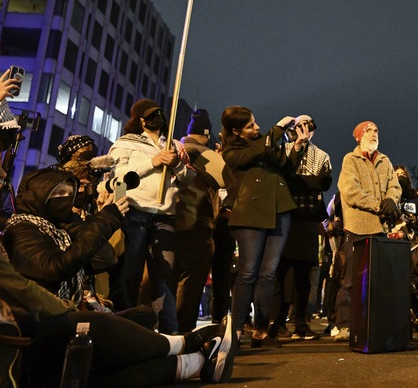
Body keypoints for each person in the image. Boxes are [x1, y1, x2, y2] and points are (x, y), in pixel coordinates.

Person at [0, 126, 236, 388]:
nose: (1, 172)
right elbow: (31, 285)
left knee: (107, 359)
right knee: (89, 327)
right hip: (10, 341)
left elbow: (104, 258)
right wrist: (104, 221)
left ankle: (199, 362)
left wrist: (84, 222)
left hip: (12, 339)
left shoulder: (48, 226)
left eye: (72, 191)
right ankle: (189, 342)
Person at [108, 99, 194, 333]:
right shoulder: (125, 144)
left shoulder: (174, 145)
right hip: (134, 213)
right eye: (151, 114)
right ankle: (126, 330)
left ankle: (169, 333)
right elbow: (117, 180)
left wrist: (176, 164)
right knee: (130, 274)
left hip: (164, 215)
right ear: (140, 120)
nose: (158, 117)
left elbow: (190, 179)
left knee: (165, 276)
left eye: (160, 112)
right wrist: (152, 162)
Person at [220, 106, 297, 348]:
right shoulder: (232, 150)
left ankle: (261, 330)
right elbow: (255, 153)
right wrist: (277, 131)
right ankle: (236, 330)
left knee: (269, 273)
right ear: (235, 130)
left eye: (256, 123)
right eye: (250, 126)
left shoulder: (264, 141)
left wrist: (297, 143)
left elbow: (287, 167)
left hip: (280, 208)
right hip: (250, 214)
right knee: (248, 272)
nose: (256, 128)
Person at [2, 167, 125, 307]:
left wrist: (72, 224)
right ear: (39, 195)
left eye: (69, 195)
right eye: (60, 193)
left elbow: (104, 259)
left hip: (67, 308)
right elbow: (56, 269)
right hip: (40, 311)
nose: (66, 200)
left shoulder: (59, 229)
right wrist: (104, 221)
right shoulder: (22, 228)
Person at [333, 121, 402, 342]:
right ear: (359, 136)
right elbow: (350, 191)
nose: (374, 134)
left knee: (378, 280)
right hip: (358, 227)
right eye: (369, 131)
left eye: (376, 132)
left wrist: (392, 199)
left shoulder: (385, 160)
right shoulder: (350, 160)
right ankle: (344, 323)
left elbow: (395, 185)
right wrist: (379, 205)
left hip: (380, 229)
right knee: (353, 278)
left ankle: (373, 322)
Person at [270, 115, 332, 341]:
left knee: (304, 275)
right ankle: (276, 322)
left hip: (307, 218)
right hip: (285, 216)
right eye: (300, 126)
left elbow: (323, 182)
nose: (305, 130)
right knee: (281, 273)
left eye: (309, 125)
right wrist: (305, 180)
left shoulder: (322, 155)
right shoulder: (282, 151)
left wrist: (298, 181)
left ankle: (301, 322)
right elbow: (283, 178)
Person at [174, 109, 230, 332]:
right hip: (196, 225)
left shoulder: (173, 148)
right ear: (206, 134)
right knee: (191, 282)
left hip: (169, 224)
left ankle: (164, 330)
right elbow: (227, 179)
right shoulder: (202, 153)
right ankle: (184, 331)